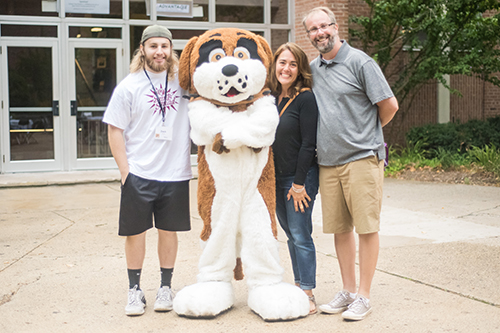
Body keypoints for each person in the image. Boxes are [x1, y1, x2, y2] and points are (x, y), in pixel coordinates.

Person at [302, 7, 399, 321]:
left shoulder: (360, 62)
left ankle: (364, 296)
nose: (320, 33)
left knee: (367, 228)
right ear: (309, 36)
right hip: (328, 163)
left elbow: (389, 106)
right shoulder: (313, 69)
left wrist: (367, 135)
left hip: (361, 159)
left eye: (324, 26)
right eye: (313, 30)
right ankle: (347, 290)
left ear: (335, 25)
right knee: (340, 230)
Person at [103, 25, 192, 316]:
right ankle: (135, 290)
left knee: (169, 232)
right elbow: (115, 130)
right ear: (142, 49)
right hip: (139, 173)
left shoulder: (184, 83)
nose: (159, 52)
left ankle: (165, 287)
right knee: (135, 233)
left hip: (175, 173)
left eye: (164, 46)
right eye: (153, 46)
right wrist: (125, 172)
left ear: (171, 50)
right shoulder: (129, 86)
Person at [268, 42, 320, 315]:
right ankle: (299, 285)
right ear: (274, 64)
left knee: (301, 234)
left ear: (300, 69)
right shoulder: (269, 97)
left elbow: (308, 144)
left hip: (300, 178)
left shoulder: (305, 98)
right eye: (282, 62)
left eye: (292, 64)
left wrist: (299, 184)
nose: (286, 68)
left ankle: (308, 293)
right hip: (276, 179)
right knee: (290, 234)